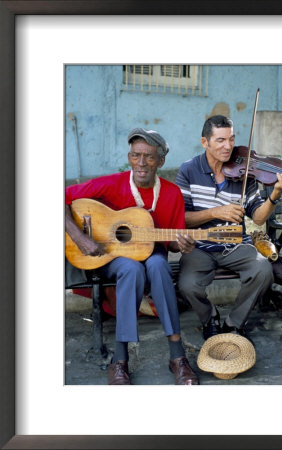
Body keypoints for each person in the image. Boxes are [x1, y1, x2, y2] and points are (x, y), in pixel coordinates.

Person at [65, 128, 198, 385]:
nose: (141, 163)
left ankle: (177, 356)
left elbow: (170, 245)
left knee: (159, 265)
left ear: (161, 161)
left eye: (149, 157)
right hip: (109, 256)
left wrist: (182, 245)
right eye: (136, 155)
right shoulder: (111, 184)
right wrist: (81, 238)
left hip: (152, 251)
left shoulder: (171, 193)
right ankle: (120, 359)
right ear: (129, 157)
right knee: (131, 269)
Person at [175, 115, 282, 341]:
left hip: (236, 244)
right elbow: (181, 218)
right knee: (187, 284)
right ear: (205, 142)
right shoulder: (189, 170)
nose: (228, 146)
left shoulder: (245, 171)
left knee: (263, 270)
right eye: (220, 140)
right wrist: (214, 212)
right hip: (200, 246)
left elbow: (259, 218)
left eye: (231, 139)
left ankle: (234, 322)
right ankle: (209, 316)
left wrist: (276, 193)